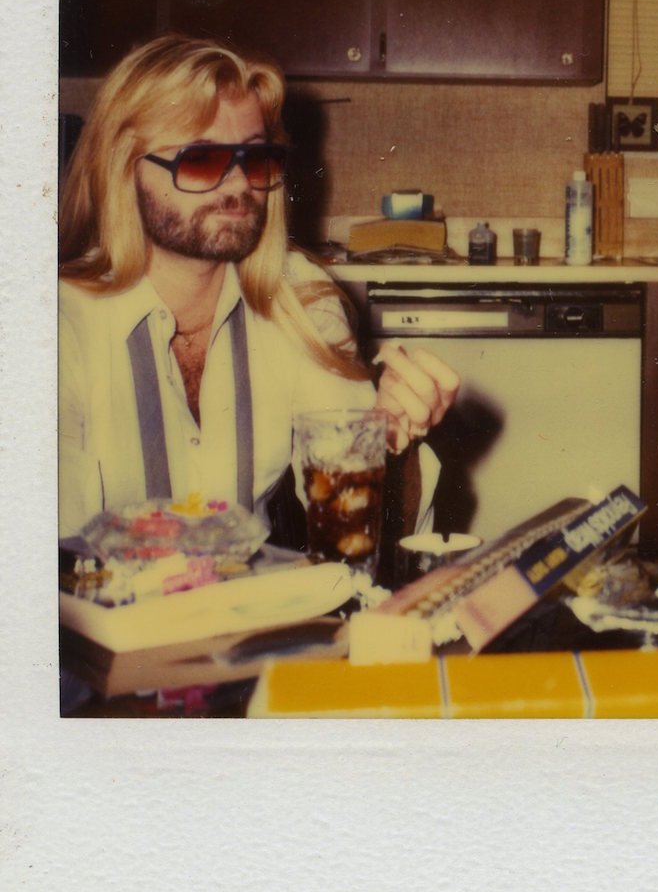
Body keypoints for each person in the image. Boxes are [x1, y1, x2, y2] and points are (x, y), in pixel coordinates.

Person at [58, 34, 460, 541]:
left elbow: (353, 534)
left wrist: (391, 443)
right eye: (201, 161)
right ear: (125, 169)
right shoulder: (57, 328)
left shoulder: (302, 300)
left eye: (256, 159)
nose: (238, 186)